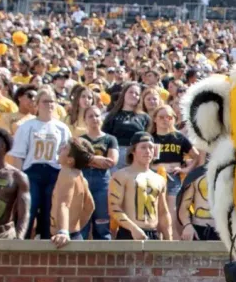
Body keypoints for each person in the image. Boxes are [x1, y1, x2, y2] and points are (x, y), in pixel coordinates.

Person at [8, 86, 71, 239]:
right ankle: (21, 240)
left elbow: (66, 154)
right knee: (29, 206)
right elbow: (18, 156)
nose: (49, 104)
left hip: (53, 170)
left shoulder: (62, 128)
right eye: (45, 101)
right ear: (37, 104)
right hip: (32, 172)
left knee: (50, 208)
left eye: (52, 101)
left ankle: (45, 240)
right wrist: (19, 179)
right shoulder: (27, 126)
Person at [108, 132, 171, 240]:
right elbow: (113, 207)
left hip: (153, 234)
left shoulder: (159, 179)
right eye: (143, 147)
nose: (148, 151)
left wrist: (169, 238)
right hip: (128, 233)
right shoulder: (121, 175)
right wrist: (133, 229)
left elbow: (163, 212)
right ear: (133, 150)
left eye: (151, 147)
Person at [78, 98, 118, 240]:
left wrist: (88, 160)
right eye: (90, 116)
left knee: (102, 223)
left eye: (97, 115)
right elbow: (76, 161)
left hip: (102, 183)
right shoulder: (80, 139)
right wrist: (98, 160)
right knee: (81, 223)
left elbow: (111, 162)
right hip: (82, 182)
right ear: (85, 120)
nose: (94, 118)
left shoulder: (110, 139)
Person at [149, 104, 196, 215]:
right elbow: (140, 161)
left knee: (173, 212)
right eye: (161, 117)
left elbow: (197, 156)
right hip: (154, 176)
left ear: (173, 119)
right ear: (155, 119)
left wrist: (186, 169)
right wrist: (156, 167)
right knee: (155, 211)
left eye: (169, 117)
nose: (165, 120)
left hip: (173, 177)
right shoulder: (150, 138)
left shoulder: (179, 137)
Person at [50, 139, 95, 248]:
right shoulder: (80, 176)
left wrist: (63, 231)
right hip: (75, 235)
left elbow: (64, 204)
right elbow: (90, 207)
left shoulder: (66, 173)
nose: (60, 149)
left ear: (70, 160)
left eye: (65, 148)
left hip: (63, 239)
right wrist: (76, 227)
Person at [175, 154, 217, 241]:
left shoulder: (232, 176)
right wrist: (187, 225)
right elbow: (183, 207)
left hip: (225, 232)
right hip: (198, 229)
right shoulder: (196, 175)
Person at [101, 82, 149, 151]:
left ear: (139, 98)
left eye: (137, 94)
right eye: (130, 92)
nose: (133, 95)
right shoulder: (112, 115)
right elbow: (104, 137)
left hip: (137, 153)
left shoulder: (145, 117)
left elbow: (149, 138)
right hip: (116, 153)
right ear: (124, 94)